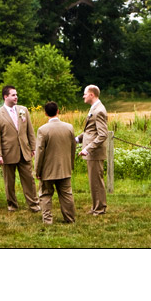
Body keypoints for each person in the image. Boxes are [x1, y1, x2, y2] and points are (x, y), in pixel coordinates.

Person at [0, 85, 39, 212]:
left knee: (29, 179)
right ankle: (12, 205)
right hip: (7, 153)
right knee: (9, 181)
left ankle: (34, 204)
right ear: (6, 97)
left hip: (24, 151)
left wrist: (33, 147)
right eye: (13, 95)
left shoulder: (23, 110)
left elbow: (30, 131)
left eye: (16, 95)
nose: (16, 97)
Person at [34, 101, 77, 225]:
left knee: (46, 194)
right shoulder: (69, 127)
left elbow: (40, 152)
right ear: (58, 111)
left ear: (46, 113)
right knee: (66, 194)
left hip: (48, 169)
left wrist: (37, 170)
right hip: (65, 167)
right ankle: (70, 218)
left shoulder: (43, 130)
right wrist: (70, 164)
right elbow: (72, 148)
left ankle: (47, 220)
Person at [77, 84, 108, 215]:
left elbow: (102, 134)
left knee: (96, 181)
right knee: (93, 181)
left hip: (95, 153)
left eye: (85, 93)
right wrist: (77, 139)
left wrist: (88, 149)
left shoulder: (99, 110)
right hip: (91, 152)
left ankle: (100, 208)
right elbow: (90, 131)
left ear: (91, 94)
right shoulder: (93, 108)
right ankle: (96, 207)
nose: (83, 96)